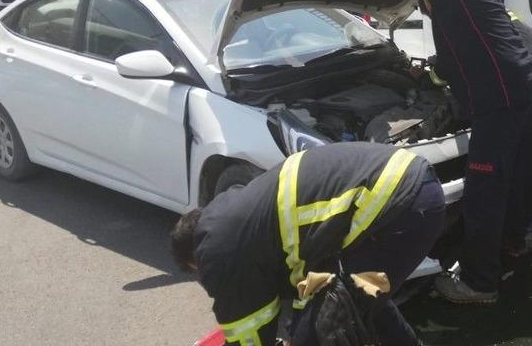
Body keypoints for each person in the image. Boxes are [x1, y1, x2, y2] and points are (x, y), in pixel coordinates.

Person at [347, 0, 532, 304]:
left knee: (483, 190)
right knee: (515, 176)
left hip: (499, 99)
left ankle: (479, 283)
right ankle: (514, 244)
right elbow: (465, 41)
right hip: (519, 88)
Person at [171, 142, 445, 346]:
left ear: (197, 256)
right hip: (411, 188)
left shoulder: (218, 247)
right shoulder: (242, 217)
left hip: (400, 206)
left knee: (321, 327)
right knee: (361, 297)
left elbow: (249, 330)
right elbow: (301, 282)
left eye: (198, 272)